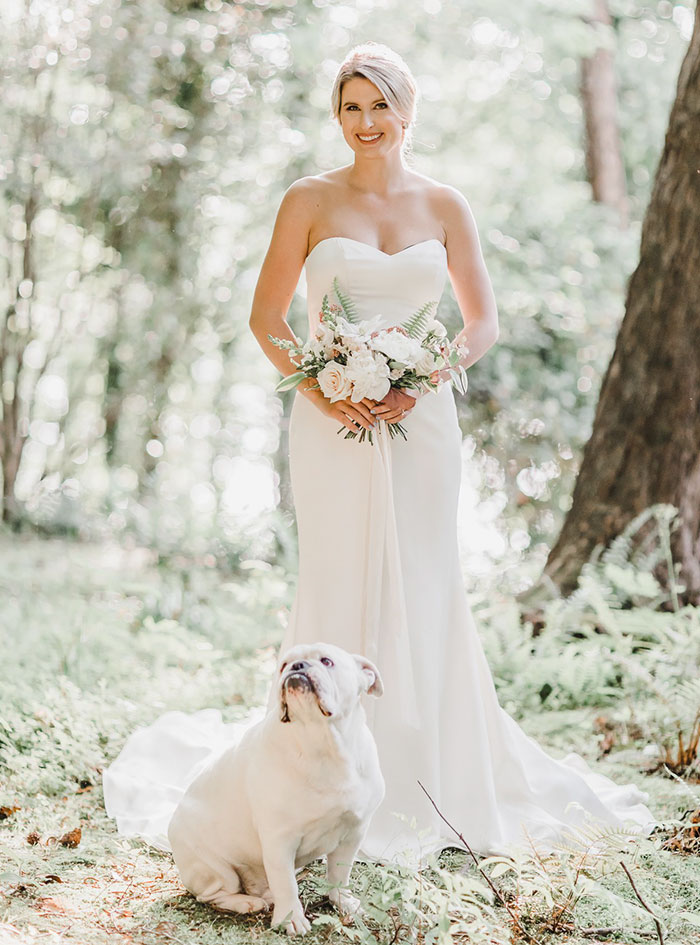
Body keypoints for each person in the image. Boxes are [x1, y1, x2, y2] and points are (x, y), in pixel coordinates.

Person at [103, 41, 655, 867]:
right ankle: (313, 785)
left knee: (426, 580)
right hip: (331, 424)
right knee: (339, 575)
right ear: (338, 116)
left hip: (423, 422)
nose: (365, 123)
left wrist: (423, 376)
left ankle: (429, 771)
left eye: (379, 106)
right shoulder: (308, 200)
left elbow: (482, 322)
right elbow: (267, 320)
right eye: (351, 108)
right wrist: (326, 388)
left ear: (407, 111)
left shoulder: (445, 205)